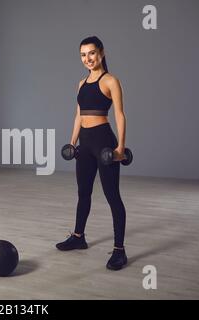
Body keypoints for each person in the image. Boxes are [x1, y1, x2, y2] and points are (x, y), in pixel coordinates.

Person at [56, 36, 128, 271]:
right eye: (83, 55)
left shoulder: (110, 81)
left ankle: (119, 250)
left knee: (112, 195)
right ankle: (79, 237)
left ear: (102, 53)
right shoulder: (81, 83)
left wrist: (119, 149)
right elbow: (79, 115)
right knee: (83, 192)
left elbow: (119, 115)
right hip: (85, 144)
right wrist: (72, 141)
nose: (88, 59)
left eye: (92, 53)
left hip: (104, 141)